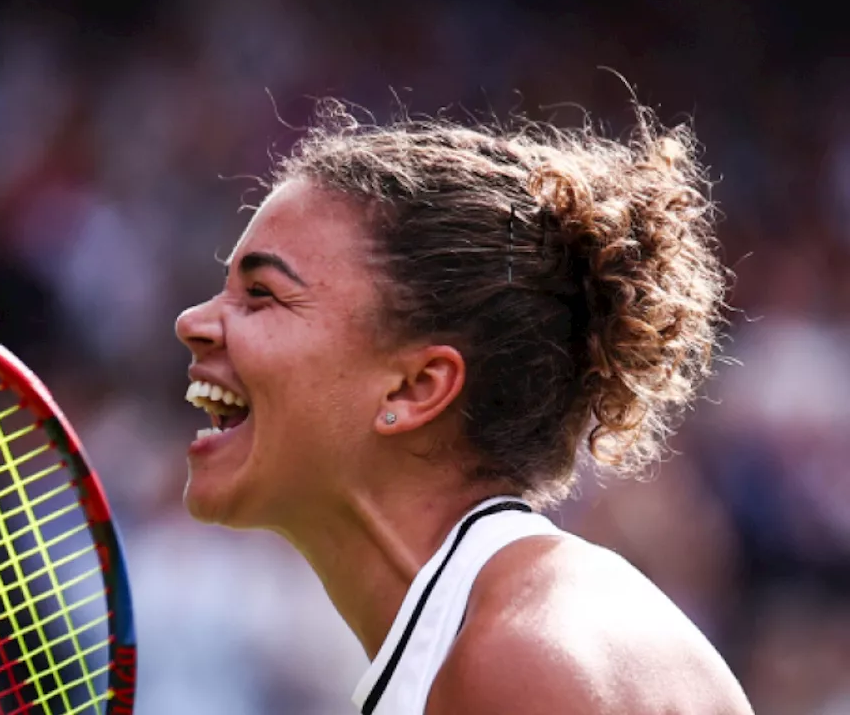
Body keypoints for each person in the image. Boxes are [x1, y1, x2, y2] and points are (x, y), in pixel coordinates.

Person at [174, 97, 755, 714]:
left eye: (262, 294)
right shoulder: (504, 629)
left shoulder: (522, 655)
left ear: (415, 388)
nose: (193, 321)